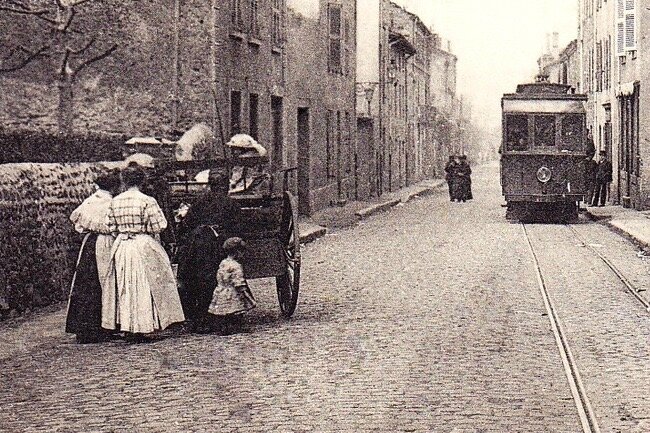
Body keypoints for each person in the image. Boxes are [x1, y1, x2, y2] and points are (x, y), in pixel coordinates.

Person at [102, 167, 185, 341]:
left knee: (126, 286)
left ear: (124, 181)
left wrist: (124, 232)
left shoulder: (115, 201)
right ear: (142, 181)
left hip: (122, 246)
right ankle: (143, 325)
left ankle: (128, 327)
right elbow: (159, 226)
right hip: (142, 244)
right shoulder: (147, 200)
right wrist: (143, 230)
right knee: (144, 284)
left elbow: (110, 227)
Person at [176, 169, 241, 332]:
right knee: (218, 276)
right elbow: (238, 226)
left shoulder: (199, 202)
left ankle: (199, 316)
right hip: (220, 245)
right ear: (225, 185)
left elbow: (187, 224)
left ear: (210, 185)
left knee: (196, 277)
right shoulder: (231, 203)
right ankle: (221, 314)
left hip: (198, 244)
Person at [66, 170, 121, 343]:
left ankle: (84, 327)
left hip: (88, 243)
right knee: (106, 282)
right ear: (114, 186)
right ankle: (103, 326)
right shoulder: (111, 203)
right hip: (105, 243)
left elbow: (76, 219)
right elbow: (113, 226)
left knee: (86, 282)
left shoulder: (90, 200)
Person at [207, 237, 256, 334]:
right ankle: (236, 327)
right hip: (232, 290)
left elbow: (219, 275)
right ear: (237, 252)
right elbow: (238, 280)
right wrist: (243, 291)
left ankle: (224, 328)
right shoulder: (236, 266)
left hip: (221, 289)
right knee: (236, 310)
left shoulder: (223, 263)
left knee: (224, 310)